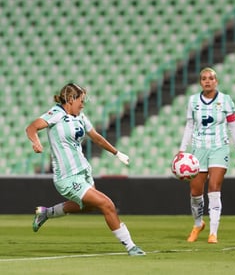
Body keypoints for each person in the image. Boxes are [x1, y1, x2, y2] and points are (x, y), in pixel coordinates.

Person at [25, 83, 145, 256]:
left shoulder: (80, 116)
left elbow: (96, 137)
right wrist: (36, 142)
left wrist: (117, 153)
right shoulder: (56, 114)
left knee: (88, 207)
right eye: (81, 101)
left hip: (83, 172)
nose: (83, 104)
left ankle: (46, 213)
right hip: (67, 177)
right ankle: (131, 246)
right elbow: (31, 128)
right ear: (70, 99)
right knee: (107, 204)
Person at [177, 67, 235, 244]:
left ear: (216, 81)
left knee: (214, 187)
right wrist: (182, 150)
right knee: (195, 192)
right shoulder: (193, 101)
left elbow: (233, 127)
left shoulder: (226, 100)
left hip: (219, 148)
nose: (207, 81)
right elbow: (190, 126)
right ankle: (198, 224)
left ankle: (213, 232)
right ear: (200, 82)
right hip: (198, 149)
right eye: (204, 78)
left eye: (211, 78)